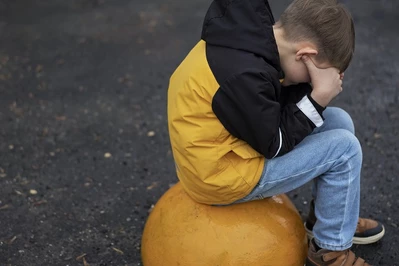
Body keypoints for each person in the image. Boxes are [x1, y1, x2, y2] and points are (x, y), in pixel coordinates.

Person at [167, 0, 385, 265]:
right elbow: (274, 142)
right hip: (219, 175)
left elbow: (273, 103)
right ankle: (329, 251)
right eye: (310, 76)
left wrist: (315, 94)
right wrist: (317, 97)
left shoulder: (255, 39)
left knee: (339, 120)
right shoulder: (244, 76)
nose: (307, 83)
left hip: (234, 145)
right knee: (344, 149)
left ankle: (330, 219)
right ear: (305, 55)